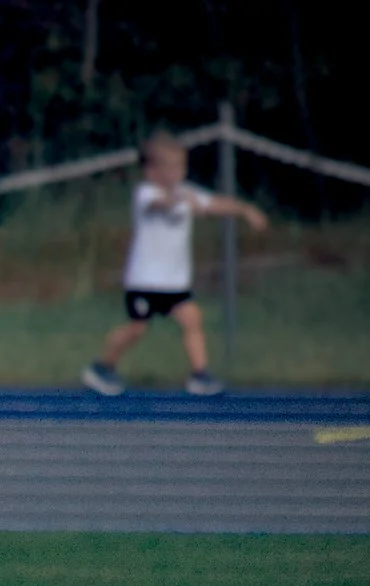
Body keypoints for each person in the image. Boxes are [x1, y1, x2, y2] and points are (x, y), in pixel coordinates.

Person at [82, 130, 268, 397]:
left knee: (192, 319)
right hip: (145, 281)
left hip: (173, 281)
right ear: (150, 171)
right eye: (168, 167)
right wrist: (182, 200)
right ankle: (102, 367)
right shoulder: (145, 193)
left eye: (179, 167)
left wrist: (245, 210)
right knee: (136, 328)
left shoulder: (186, 192)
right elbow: (160, 205)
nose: (175, 173)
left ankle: (200, 375)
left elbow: (214, 203)